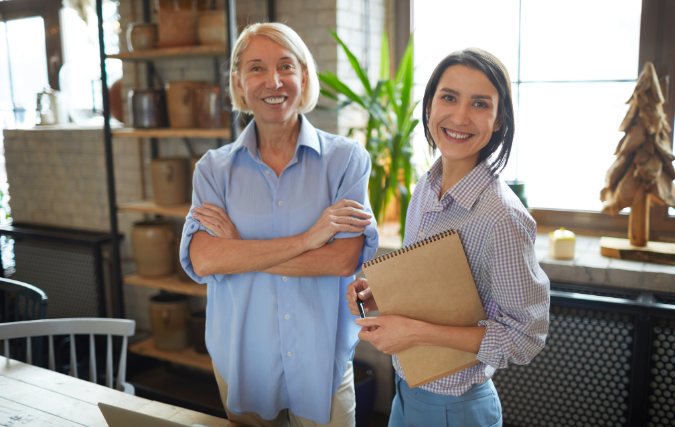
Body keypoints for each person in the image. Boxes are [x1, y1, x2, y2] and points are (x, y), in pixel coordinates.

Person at [179, 22, 379, 427]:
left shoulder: (346, 161)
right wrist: (308, 239)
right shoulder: (213, 170)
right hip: (243, 360)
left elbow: (341, 259)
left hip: (322, 359)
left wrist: (238, 251)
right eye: (256, 68)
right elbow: (203, 260)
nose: (273, 81)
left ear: (304, 76)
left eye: (286, 66)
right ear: (238, 82)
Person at [346, 48, 550, 426]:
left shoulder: (502, 216)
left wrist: (414, 331)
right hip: (407, 395)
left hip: (454, 410)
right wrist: (386, 292)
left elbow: (525, 338)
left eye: (479, 104)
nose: (459, 117)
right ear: (428, 106)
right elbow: (436, 288)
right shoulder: (426, 186)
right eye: (449, 97)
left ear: (499, 119)